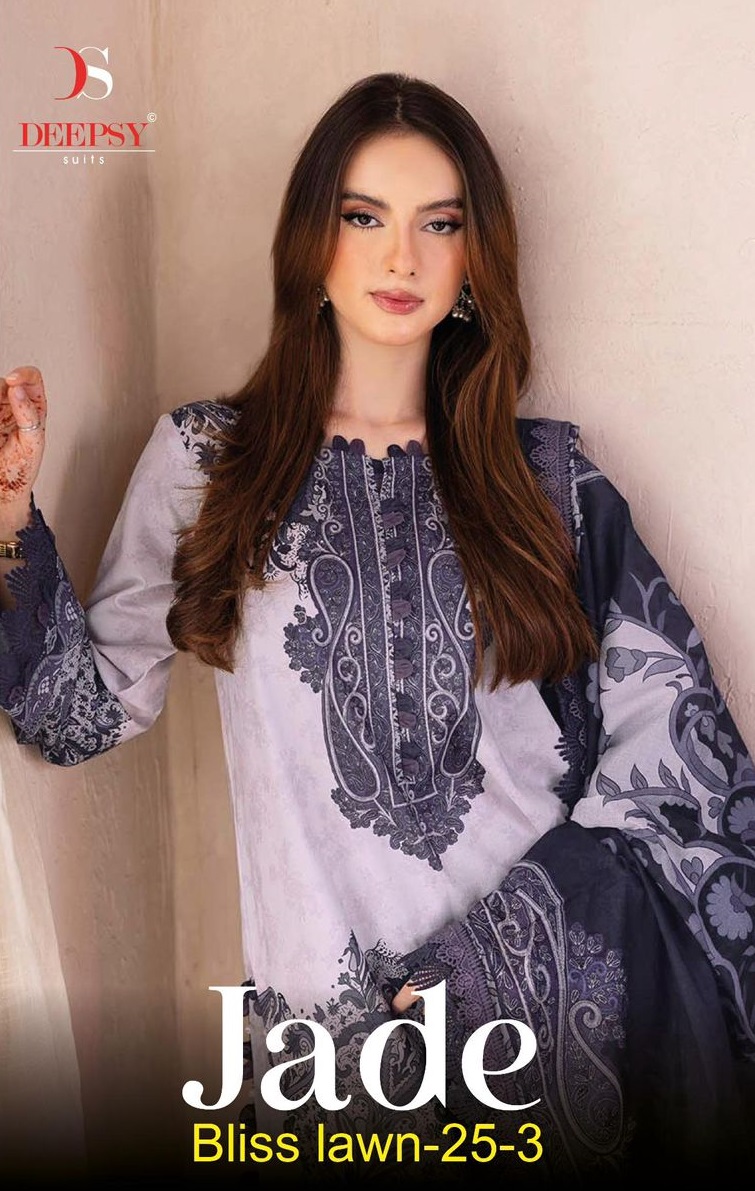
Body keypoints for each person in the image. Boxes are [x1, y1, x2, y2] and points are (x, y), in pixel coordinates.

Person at [0, 72, 753, 1186]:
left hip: (541, 1042)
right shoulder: (207, 463)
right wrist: (9, 522)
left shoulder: (550, 485)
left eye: (437, 224)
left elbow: (685, 771)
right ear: (311, 239)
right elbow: (73, 715)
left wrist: (489, 963)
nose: (400, 257)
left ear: (473, 258)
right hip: (324, 1060)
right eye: (364, 216)